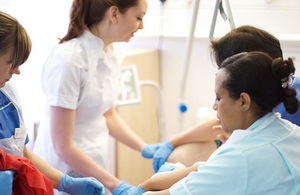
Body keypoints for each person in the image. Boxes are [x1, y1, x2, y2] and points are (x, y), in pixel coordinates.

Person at [32, 0, 156, 194]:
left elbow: (109, 115)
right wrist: (116, 184)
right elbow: (62, 146)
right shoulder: (69, 60)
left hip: (96, 160)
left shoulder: (112, 54)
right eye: (138, 17)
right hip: (63, 168)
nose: (141, 26)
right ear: (114, 14)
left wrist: (145, 148)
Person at [138, 51, 300, 194]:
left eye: (219, 98)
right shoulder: (292, 132)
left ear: (243, 101)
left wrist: (138, 188)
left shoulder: (241, 156)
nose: (214, 106)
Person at [144, 25, 300, 172]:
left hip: (265, 168)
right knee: (178, 157)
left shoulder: (283, 103)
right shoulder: (259, 99)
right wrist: (172, 143)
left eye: (224, 68)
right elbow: (219, 125)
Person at [0, 11, 105, 195]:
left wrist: (66, 183)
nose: (17, 71)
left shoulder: (9, 98)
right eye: (11, 62)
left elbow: (22, 155)